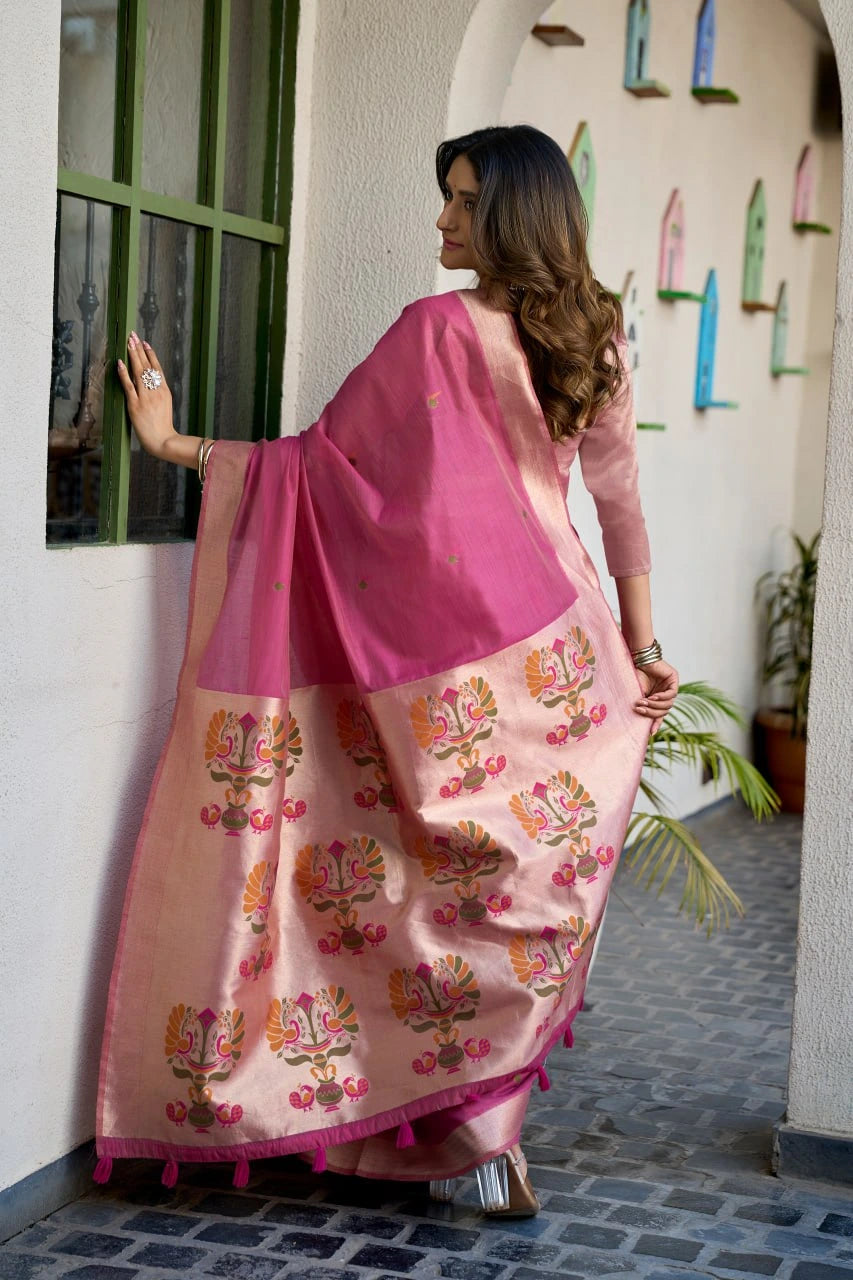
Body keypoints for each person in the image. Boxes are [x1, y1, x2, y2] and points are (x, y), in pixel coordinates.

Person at [100, 124, 678, 1216]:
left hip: (452, 675)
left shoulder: (433, 332)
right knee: (504, 904)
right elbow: (619, 506)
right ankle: (489, 1144)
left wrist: (181, 449)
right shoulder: (593, 339)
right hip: (561, 671)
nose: (443, 221)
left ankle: (470, 1139)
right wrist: (644, 649)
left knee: (422, 889)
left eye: (461, 201)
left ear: (510, 212)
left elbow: (322, 474)